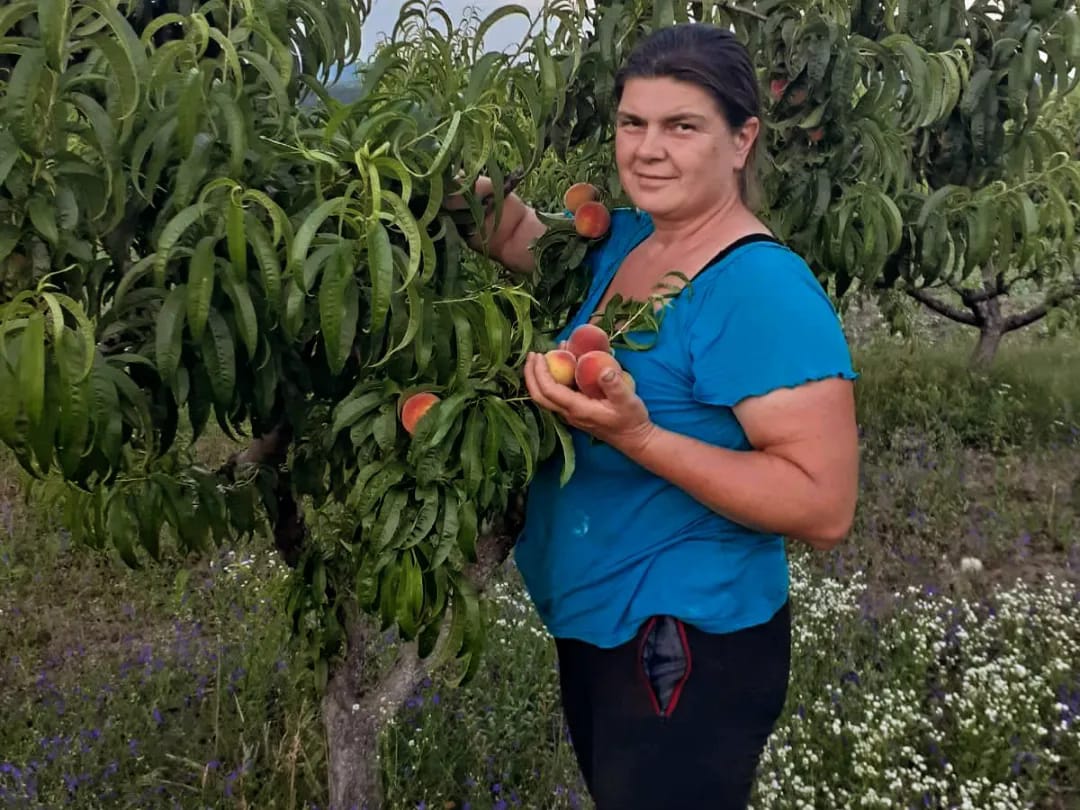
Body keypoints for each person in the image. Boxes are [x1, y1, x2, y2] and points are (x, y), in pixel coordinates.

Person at [454, 22, 860, 810]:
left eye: (681, 126)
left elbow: (823, 505)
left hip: (683, 643)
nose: (647, 148)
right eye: (631, 123)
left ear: (742, 140)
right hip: (602, 625)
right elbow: (518, 233)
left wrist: (637, 436)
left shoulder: (761, 291)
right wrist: (426, 176)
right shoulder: (630, 239)